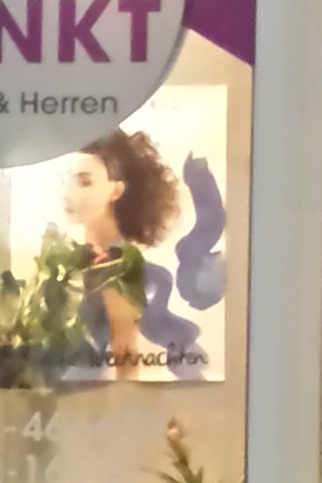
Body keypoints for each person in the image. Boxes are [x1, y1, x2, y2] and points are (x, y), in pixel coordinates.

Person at [56, 130, 214, 375]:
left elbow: (126, 361)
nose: (68, 193)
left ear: (116, 190)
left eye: (84, 182)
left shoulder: (121, 272)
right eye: (65, 180)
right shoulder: (72, 262)